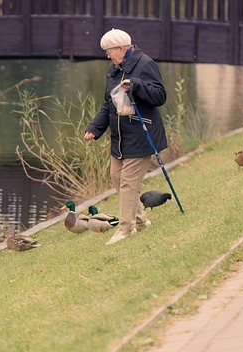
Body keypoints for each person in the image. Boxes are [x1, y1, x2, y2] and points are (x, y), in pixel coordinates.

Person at [84, 28, 167, 245]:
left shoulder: (145, 64)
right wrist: (95, 128)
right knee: (117, 178)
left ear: (121, 48)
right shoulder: (113, 70)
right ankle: (140, 221)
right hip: (119, 138)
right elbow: (108, 104)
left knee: (129, 184)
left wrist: (136, 85)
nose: (107, 55)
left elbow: (160, 96)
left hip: (142, 133)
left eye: (109, 51)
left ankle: (125, 229)